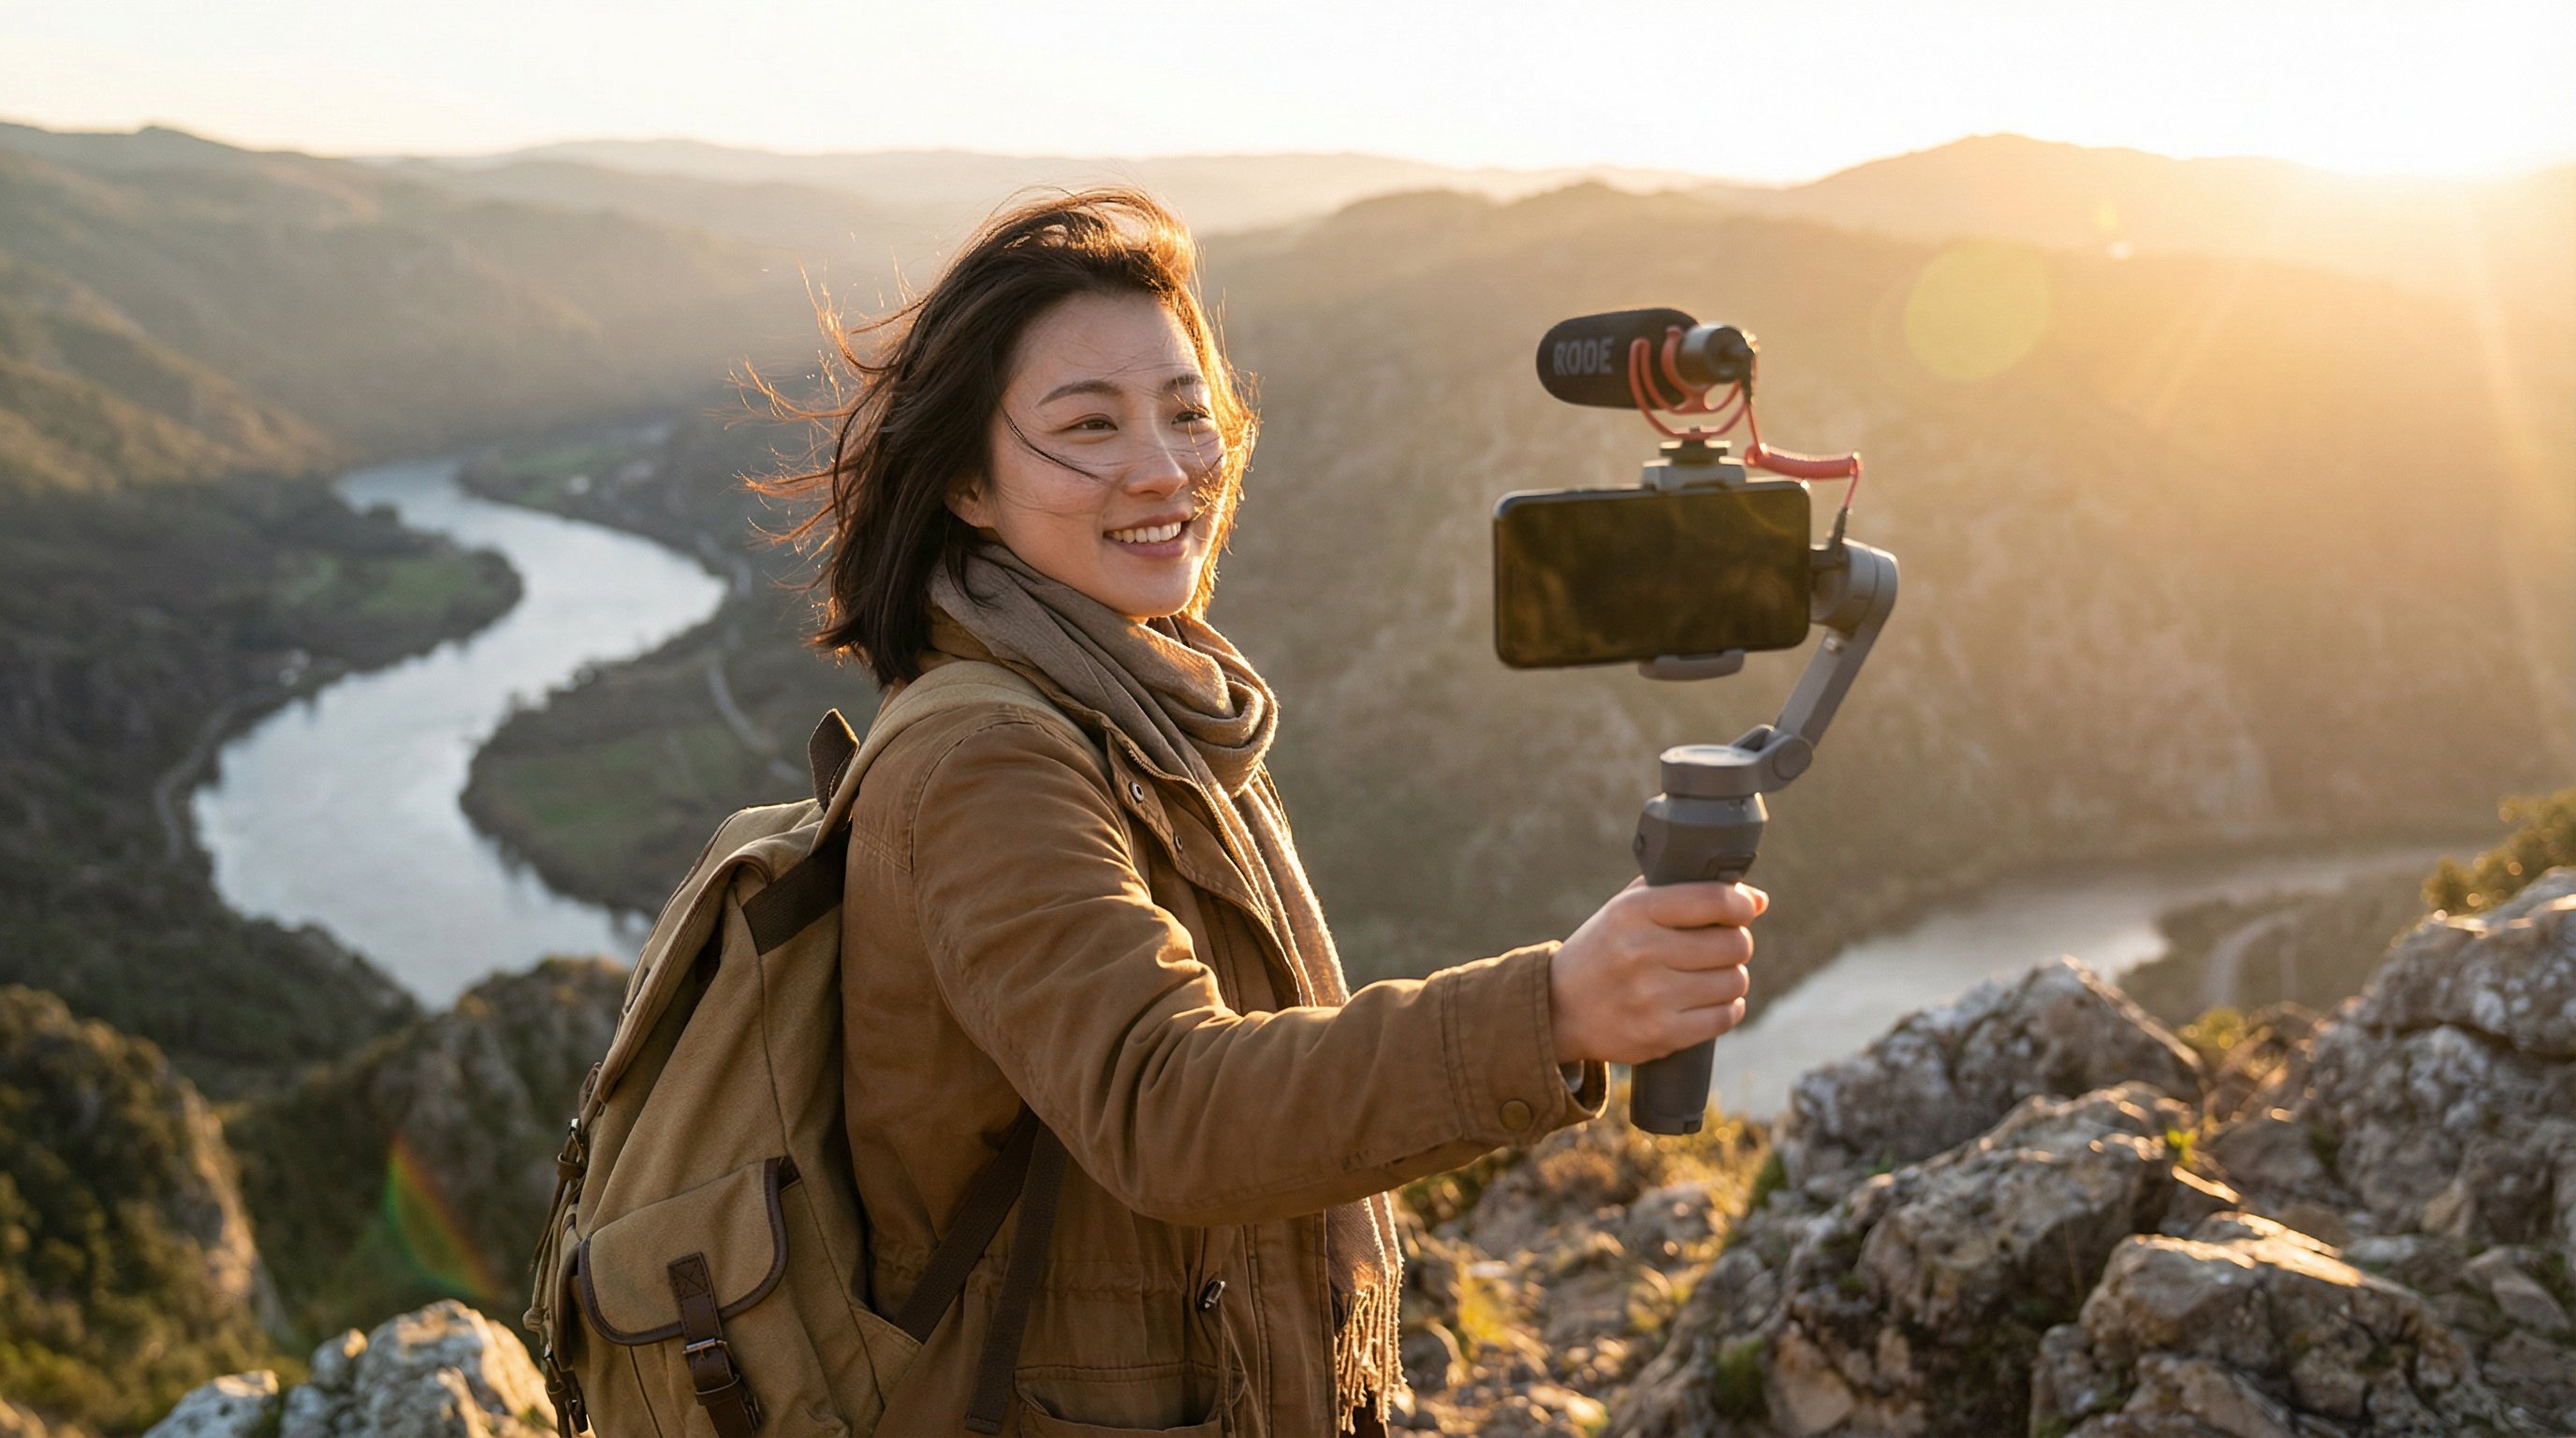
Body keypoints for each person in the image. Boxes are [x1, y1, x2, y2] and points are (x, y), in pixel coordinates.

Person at [760, 189, 1761, 1437]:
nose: (1164, 468)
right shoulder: (984, 757)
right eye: (1089, 425)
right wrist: (1551, 1009)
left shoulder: (1142, 703)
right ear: (966, 481)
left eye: (1187, 415)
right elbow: (1165, 1104)